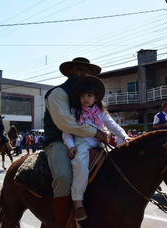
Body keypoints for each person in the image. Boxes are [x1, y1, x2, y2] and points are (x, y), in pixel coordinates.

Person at [42, 57, 108, 228]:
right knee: (64, 176)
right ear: (70, 71)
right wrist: (96, 132)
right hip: (58, 141)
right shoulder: (58, 93)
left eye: (87, 71)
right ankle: (65, 223)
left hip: (89, 139)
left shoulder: (88, 96)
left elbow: (105, 119)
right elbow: (65, 124)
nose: (84, 73)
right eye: (80, 69)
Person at [62, 75, 130, 221]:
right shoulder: (74, 111)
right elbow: (66, 132)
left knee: (117, 162)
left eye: (89, 95)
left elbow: (113, 126)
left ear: (96, 97)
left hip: (100, 143)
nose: (85, 98)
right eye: (82, 95)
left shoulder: (101, 112)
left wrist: (124, 137)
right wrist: (71, 146)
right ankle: (78, 201)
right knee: (79, 162)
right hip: (82, 142)